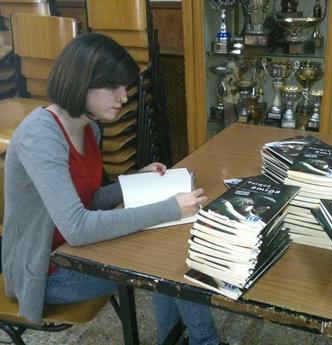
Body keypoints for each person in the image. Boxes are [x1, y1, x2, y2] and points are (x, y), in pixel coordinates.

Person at [1, 33, 224, 345]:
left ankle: (180, 340)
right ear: (81, 82)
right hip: (46, 271)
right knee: (166, 264)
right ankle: (202, 341)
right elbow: (78, 226)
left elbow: (90, 199)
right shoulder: (41, 136)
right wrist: (170, 207)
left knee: (166, 254)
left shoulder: (88, 127)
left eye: (125, 87)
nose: (123, 96)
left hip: (77, 251)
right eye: (113, 87)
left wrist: (136, 181)